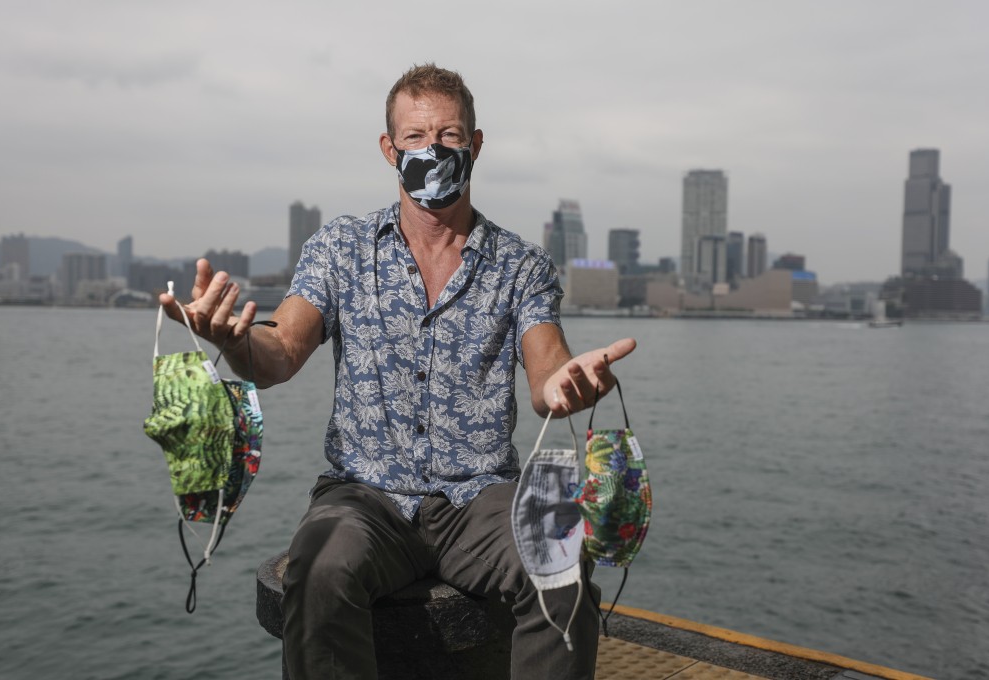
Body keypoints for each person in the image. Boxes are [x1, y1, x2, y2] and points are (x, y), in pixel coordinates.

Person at [161, 63, 636, 680]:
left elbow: (547, 376)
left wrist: (569, 385)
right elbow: (280, 352)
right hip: (364, 496)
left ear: (476, 144)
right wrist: (233, 341)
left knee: (560, 548)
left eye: (450, 135)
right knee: (321, 567)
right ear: (390, 149)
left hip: (481, 496)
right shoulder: (342, 247)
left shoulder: (521, 264)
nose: (432, 149)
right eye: (415, 137)